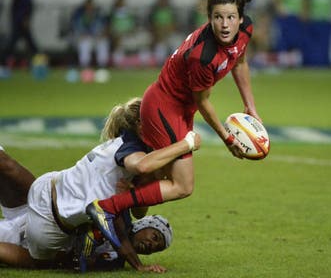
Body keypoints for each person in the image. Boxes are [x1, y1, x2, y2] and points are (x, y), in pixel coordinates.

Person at [86, 0, 261, 248]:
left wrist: (250, 106)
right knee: (183, 185)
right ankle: (107, 207)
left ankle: (124, 199)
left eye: (231, 17)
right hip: (163, 107)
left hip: (180, 108)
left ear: (242, 18)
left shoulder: (245, 31)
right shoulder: (202, 57)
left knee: (157, 179)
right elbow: (203, 102)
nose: (225, 25)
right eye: (218, 17)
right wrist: (228, 139)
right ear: (209, 19)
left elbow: (239, 62)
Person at [2, 98, 200, 272]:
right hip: (50, 225)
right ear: (141, 125)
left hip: (47, 187)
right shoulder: (132, 153)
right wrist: (186, 143)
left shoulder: (122, 142)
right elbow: (142, 167)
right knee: (41, 262)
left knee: (8, 166)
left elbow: (140, 212)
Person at [0, 145, 175, 272]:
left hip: (42, 239)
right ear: (144, 224)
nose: (151, 245)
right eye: (155, 236)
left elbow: (77, 260)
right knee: (7, 165)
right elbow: (115, 223)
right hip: (41, 206)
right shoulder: (123, 210)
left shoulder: (115, 260)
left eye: (156, 248)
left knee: (37, 260)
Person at [0, 0, 38, 78]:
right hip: (19, 18)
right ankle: (40, 64)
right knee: (29, 44)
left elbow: (27, 3)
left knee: (13, 43)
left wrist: (25, 18)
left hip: (20, 19)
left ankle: (3, 65)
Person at [70, 0, 110, 70]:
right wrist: (82, 35)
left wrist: (102, 34)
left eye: (91, 5)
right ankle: (84, 65)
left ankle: (102, 65)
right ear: (85, 5)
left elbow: (104, 27)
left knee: (103, 42)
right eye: (88, 5)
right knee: (85, 43)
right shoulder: (78, 14)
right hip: (82, 38)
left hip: (96, 37)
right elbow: (75, 28)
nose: (90, 7)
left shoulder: (98, 14)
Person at [147, 0, 177, 66]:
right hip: (158, 34)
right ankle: (160, 63)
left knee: (176, 43)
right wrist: (159, 32)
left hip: (169, 33)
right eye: (162, 0)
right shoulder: (154, 11)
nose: (163, 2)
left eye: (165, 0)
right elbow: (152, 25)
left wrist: (168, 31)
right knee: (160, 45)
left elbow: (174, 24)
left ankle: (176, 63)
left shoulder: (171, 11)